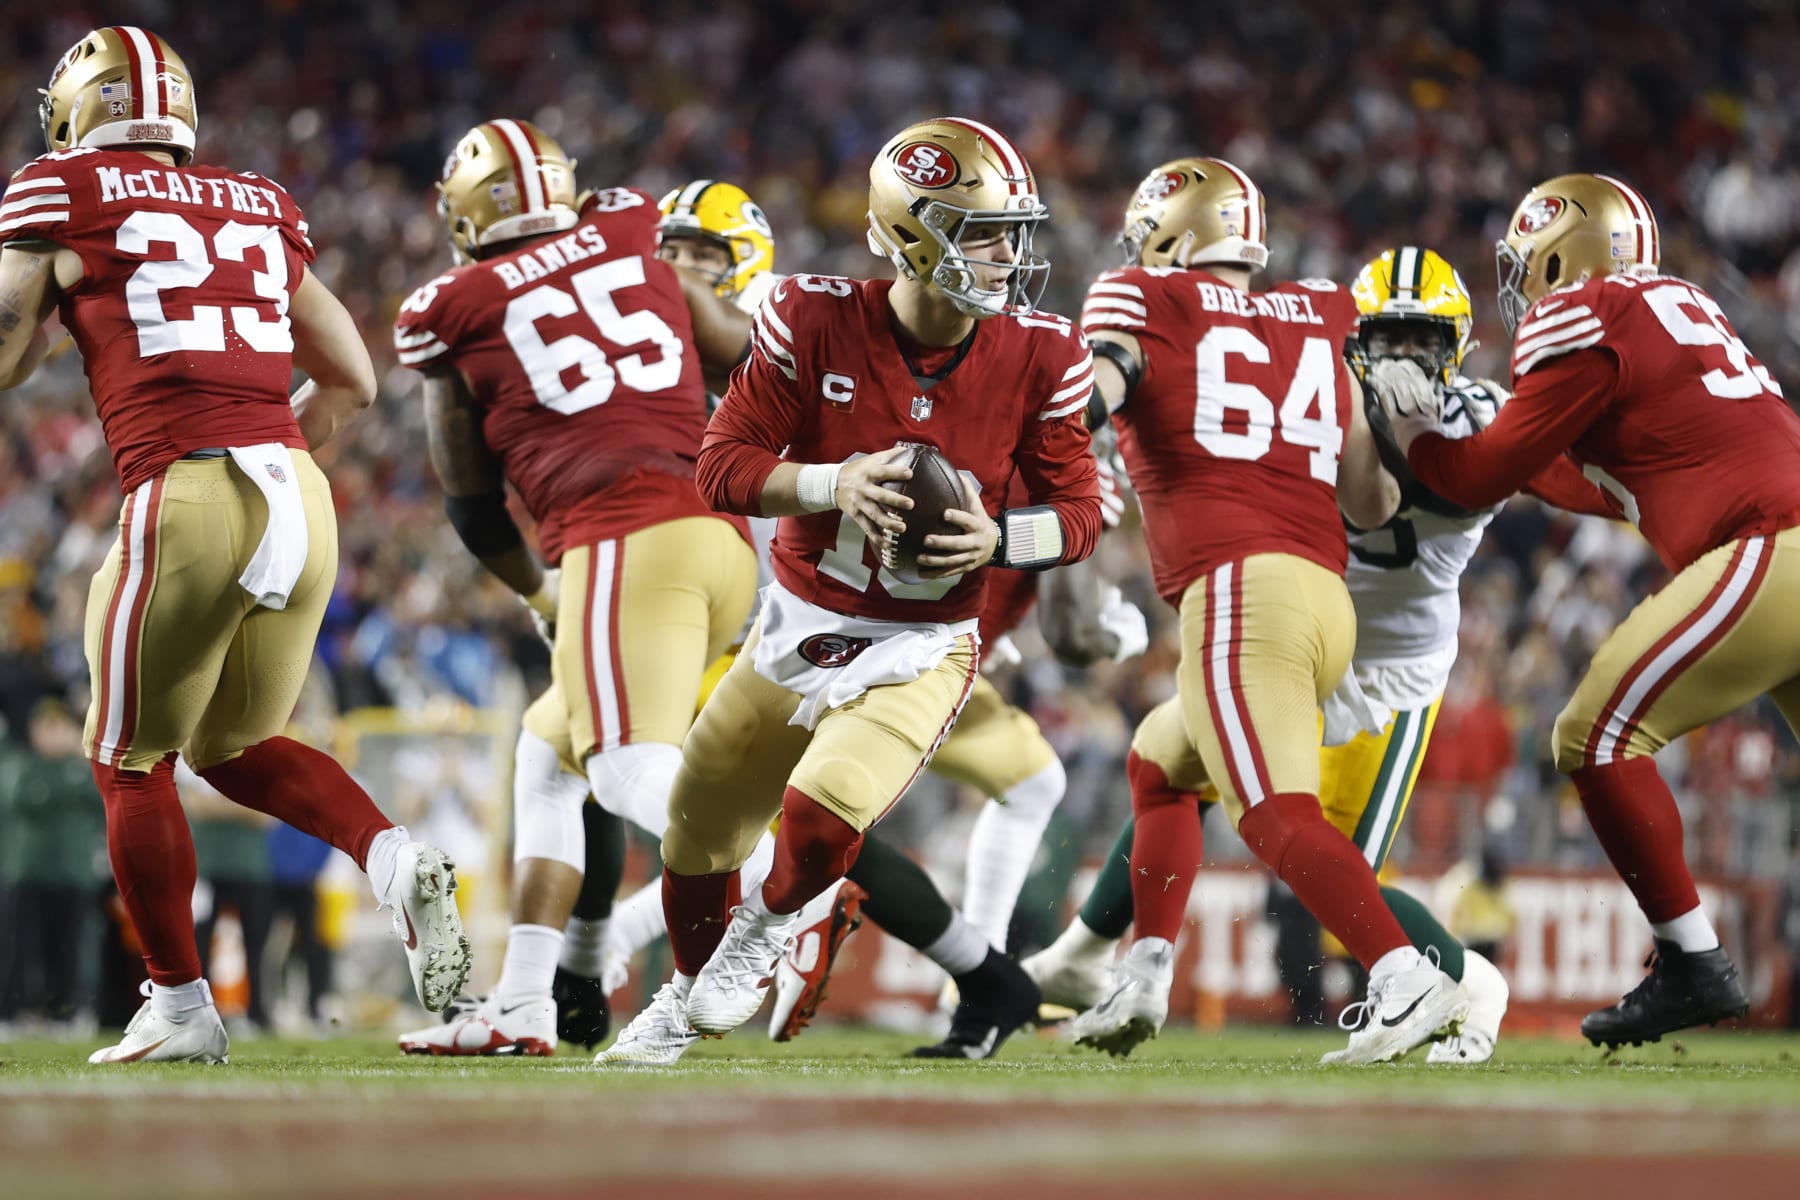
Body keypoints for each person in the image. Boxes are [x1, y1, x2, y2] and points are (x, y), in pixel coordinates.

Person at [0, 26, 469, 1064]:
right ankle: (391, 858)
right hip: (300, 494)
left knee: (125, 758)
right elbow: (354, 379)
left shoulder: (60, 188)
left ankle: (178, 1005)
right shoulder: (256, 199)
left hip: (184, 486)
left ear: (78, 111)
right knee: (231, 747)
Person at [596, 116, 1103, 1064]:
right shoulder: (812, 315)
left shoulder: (1044, 353)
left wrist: (1000, 538)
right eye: (982, 232)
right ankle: (680, 1001)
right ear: (913, 235)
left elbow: (1080, 514)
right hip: (795, 624)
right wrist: (835, 482)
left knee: (826, 805)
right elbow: (721, 466)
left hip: (922, 644)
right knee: (696, 832)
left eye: (1012, 234)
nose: (1007, 256)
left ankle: (764, 934)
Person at [1036, 245, 1616, 1062]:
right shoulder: (1317, 391)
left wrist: (1405, 432)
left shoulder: (1477, 418)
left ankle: (1468, 983)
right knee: (1163, 761)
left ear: (1455, 348)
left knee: (1332, 875)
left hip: (1387, 677)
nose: (1403, 356)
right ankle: (1107, 958)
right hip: (1298, 641)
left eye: (1422, 340)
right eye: (1385, 338)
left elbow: (1479, 483)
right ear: (1351, 340)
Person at [1059, 160, 1471, 1065]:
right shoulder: (1323, 312)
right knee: (1160, 762)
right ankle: (1144, 968)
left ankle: (1405, 975)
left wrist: (1030, 452)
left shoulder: (1142, 296)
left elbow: (1089, 400)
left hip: (1241, 595)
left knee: (1273, 815)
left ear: (1172, 235)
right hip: (1324, 601)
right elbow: (1370, 502)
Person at [1377, 172, 1800, 1047]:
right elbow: (1623, 484)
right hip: (1781, 535)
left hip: (1771, 543)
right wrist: (1511, 450)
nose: (1519, 284)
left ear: (1561, 256)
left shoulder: (1583, 310)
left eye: (1526, 262)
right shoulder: (1676, 304)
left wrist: (1415, 434)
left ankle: (1691, 960)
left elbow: (1472, 477)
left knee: (1594, 734)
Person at [389, 129, 763, 1056]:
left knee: (622, 769)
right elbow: (736, 351)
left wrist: (537, 589)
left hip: (621, 540)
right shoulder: (632, 231)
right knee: (547, 752)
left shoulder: (454, 307)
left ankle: (784, 881)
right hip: (718, 541)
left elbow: (473, 505)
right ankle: (523, 1002)